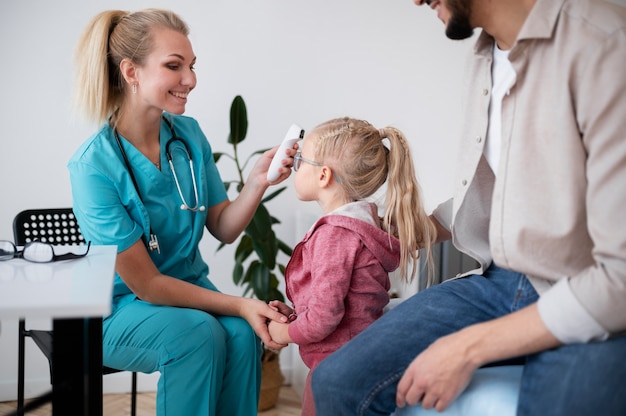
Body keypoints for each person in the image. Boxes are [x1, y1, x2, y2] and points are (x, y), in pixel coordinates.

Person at [311, 0, 626, 415]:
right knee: (335, 382)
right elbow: (509, 189)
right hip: (500, 281)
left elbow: (619, 276)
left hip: (584, 286)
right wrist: (415, 226)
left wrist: (468, 348)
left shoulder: (603, 45)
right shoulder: (483, 60)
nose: (416, 1)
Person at [67, 9, 293, 415]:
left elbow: (223, 227)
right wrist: (240, 302)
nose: (190, 79)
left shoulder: (188, 137)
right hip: (115, 312)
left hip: (190, 298)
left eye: (191, 66)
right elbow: (148, 285)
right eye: (174, 66)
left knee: (242, 334)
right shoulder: (93, 167)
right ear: (131, 72)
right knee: (198, 334)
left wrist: (257, 181)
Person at [267, 117, 436, 415]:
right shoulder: (361, 224)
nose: (294, 167)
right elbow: (343, 301)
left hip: (335, 365)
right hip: (357, 356)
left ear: (323, 176)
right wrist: (296, 315)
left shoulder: (334, 236)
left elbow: (324, 317)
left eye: (300, 160)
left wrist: (285, 334)